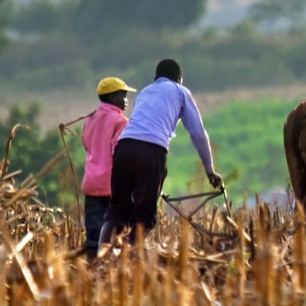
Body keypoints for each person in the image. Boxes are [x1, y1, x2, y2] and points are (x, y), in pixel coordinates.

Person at [98, 58, 222, 249]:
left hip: (124, 147)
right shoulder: (181, 91)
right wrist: (209, 170)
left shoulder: (145, 92)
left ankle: (101, 258)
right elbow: (198, 134)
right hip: (151, 150)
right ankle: (129, 258)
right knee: (143, 215)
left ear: (156, 78)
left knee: (116, 210)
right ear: (179, 79)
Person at [80, 76, 136, 261]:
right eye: (124, 95)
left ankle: (91, 267)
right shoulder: (121, 122)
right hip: (111, 185)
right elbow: (119, 154)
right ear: (113, 98)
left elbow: (86, 143)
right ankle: (109, 272)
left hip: (91, 183)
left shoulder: (90, 119)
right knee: (114, 232)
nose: (127, 101)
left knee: (93, 232)